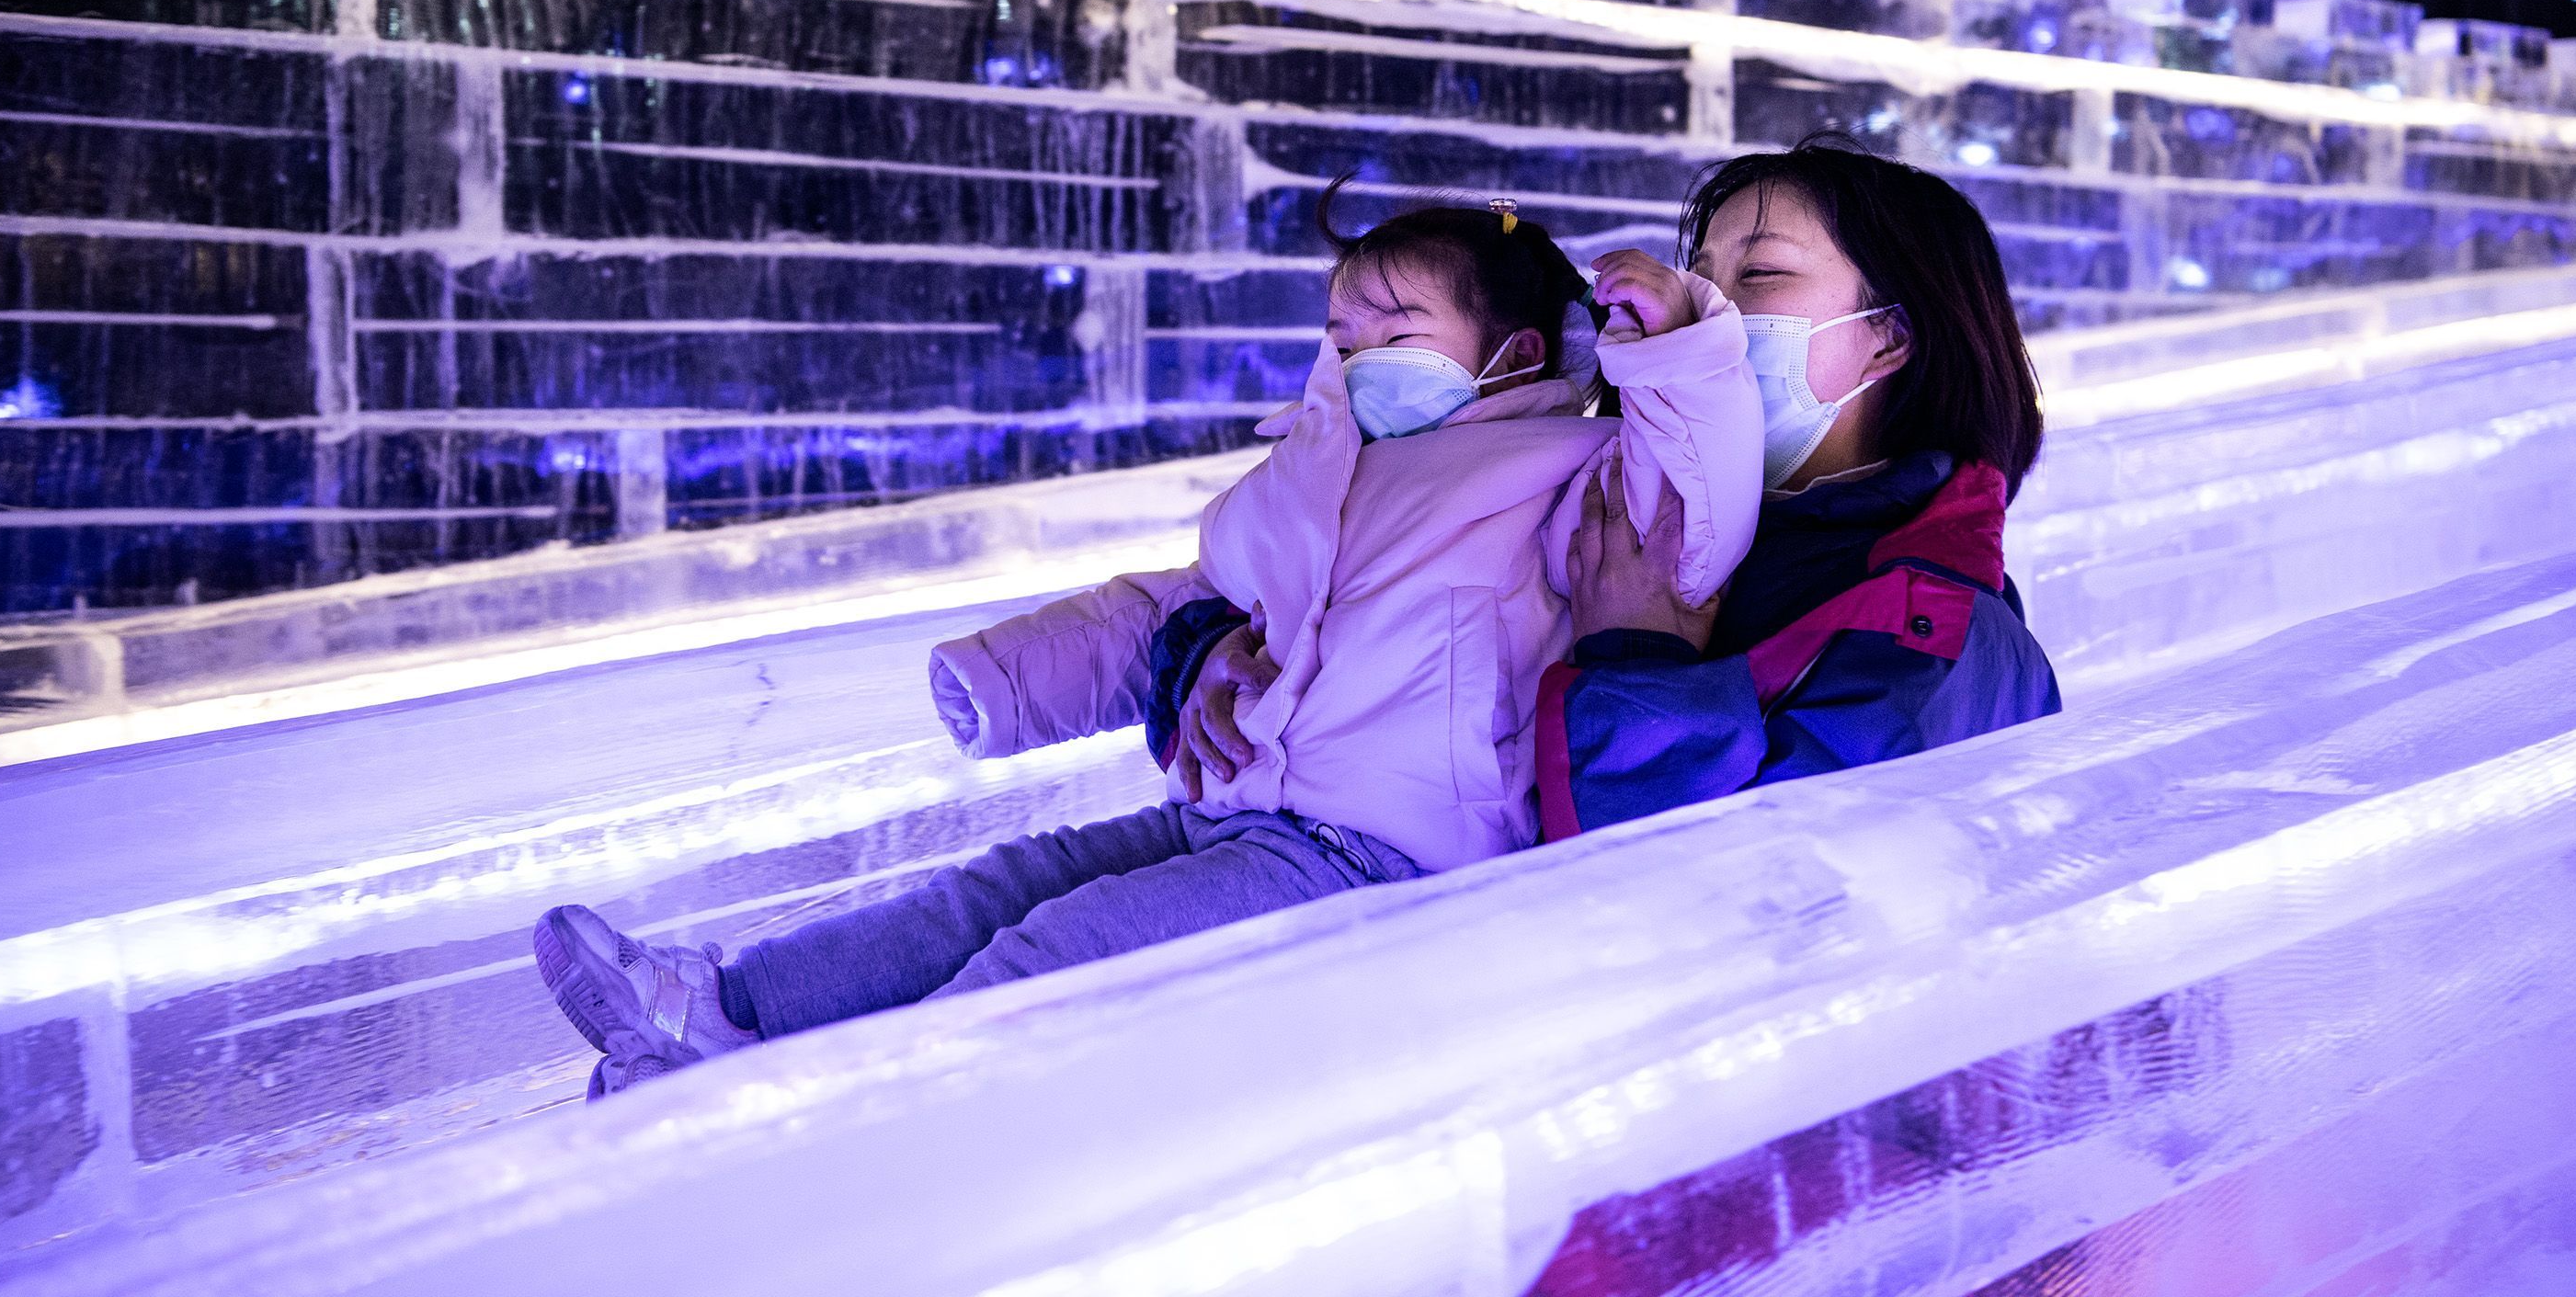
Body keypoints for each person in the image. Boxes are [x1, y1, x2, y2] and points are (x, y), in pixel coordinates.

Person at [530, 190, 1761, 1094]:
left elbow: (1694, 504)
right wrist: (1010, 681)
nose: (1352, 358)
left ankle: (818, 1115)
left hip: (1376, 857)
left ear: (1518, 355)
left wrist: (1678, 347)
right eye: (1339, 333)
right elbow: (1186, 600)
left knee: (1056, 955)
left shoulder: (1563, 476)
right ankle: (721, 1007)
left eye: (1392, 330)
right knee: (1003, 888)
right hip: (1236, 809)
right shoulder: (1317, 472)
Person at [1532, 135, 2062, 836]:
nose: (1705, 308)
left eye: (1760, 273)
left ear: (1888, 337)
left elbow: (1752, 908)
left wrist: (1637, 660)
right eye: (1699, 277)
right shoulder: (1630, 515)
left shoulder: (1938, 639)